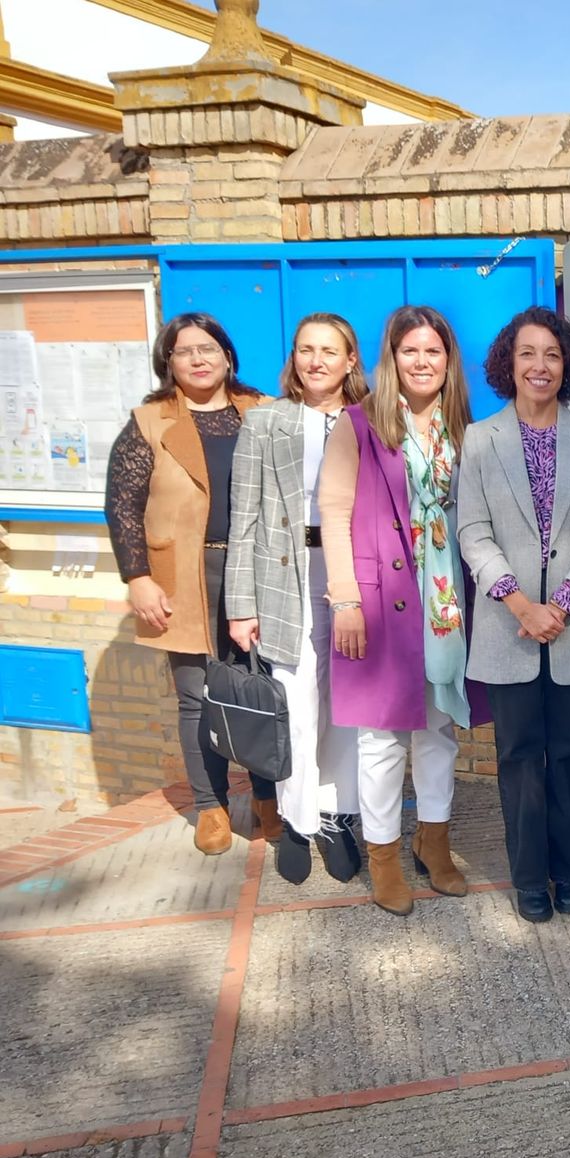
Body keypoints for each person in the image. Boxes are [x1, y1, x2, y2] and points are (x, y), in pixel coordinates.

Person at [320, 305, 487, 916]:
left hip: (447, 600)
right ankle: (384, 855)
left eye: (433, 352)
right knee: (382, 737)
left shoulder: (465, 427)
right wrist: (345, 600)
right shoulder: (359, 424)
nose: (422, 362)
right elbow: (334, 516)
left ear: (448, 362)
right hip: (379, 601)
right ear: (391, 359)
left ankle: (434, 842)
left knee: (440, 727)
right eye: (409, 351)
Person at [457, 308, 570, 924]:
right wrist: (522, 605)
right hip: (509, 627)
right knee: (519, 758)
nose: (540, 366)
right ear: (510, 363)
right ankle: (530, 879)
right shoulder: (480, 439)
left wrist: (565, 603)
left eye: (552, 354)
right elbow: (472, 531)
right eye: (528, 353)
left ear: (567, 364)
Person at [105, 313, 274, 854]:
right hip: (184, 575)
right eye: (184, 351)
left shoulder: (263, 412)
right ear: (168, 362)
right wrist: (138, 578)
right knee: (197, 697)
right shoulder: (149, 421)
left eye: (208, 348)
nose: (198, 359)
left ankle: (270, 797)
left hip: (258, 571)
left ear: (227, 355)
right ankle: (211, 807)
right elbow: (122, 506)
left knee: (265, 689)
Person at [225, 313, 368, 885]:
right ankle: (295, 820)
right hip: (285, 580)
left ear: (350, 360)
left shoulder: (371, 419)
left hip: (353, 577)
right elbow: (244, 518)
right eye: (306, 349)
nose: (317, 360)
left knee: (346, 707)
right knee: (295, 707)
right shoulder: (265, 423)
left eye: (330, 351)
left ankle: (336, 816)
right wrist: (241, 603)